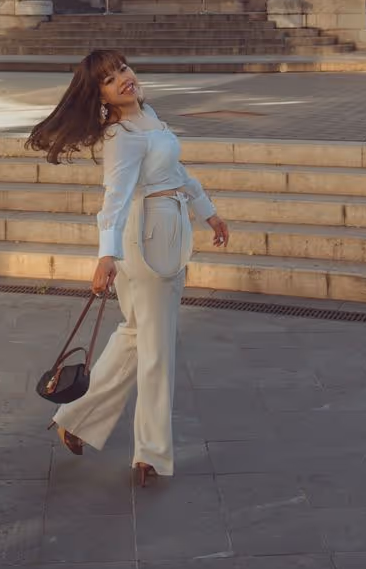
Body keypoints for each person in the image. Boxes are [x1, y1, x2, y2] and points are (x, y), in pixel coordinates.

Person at [26, 50, 229, 484]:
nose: (122, 79)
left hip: (165, 229)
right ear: (99, 96)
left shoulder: (149, 117)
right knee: (157, 350)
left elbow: (176, 169)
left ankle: (77, 418)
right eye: (108, 79)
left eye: (123, 69)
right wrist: (105, 255)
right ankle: (151, 453)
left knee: (138, 334)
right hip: (150, 240)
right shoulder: (121, 135)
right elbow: (113, 200)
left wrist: (208, 210)